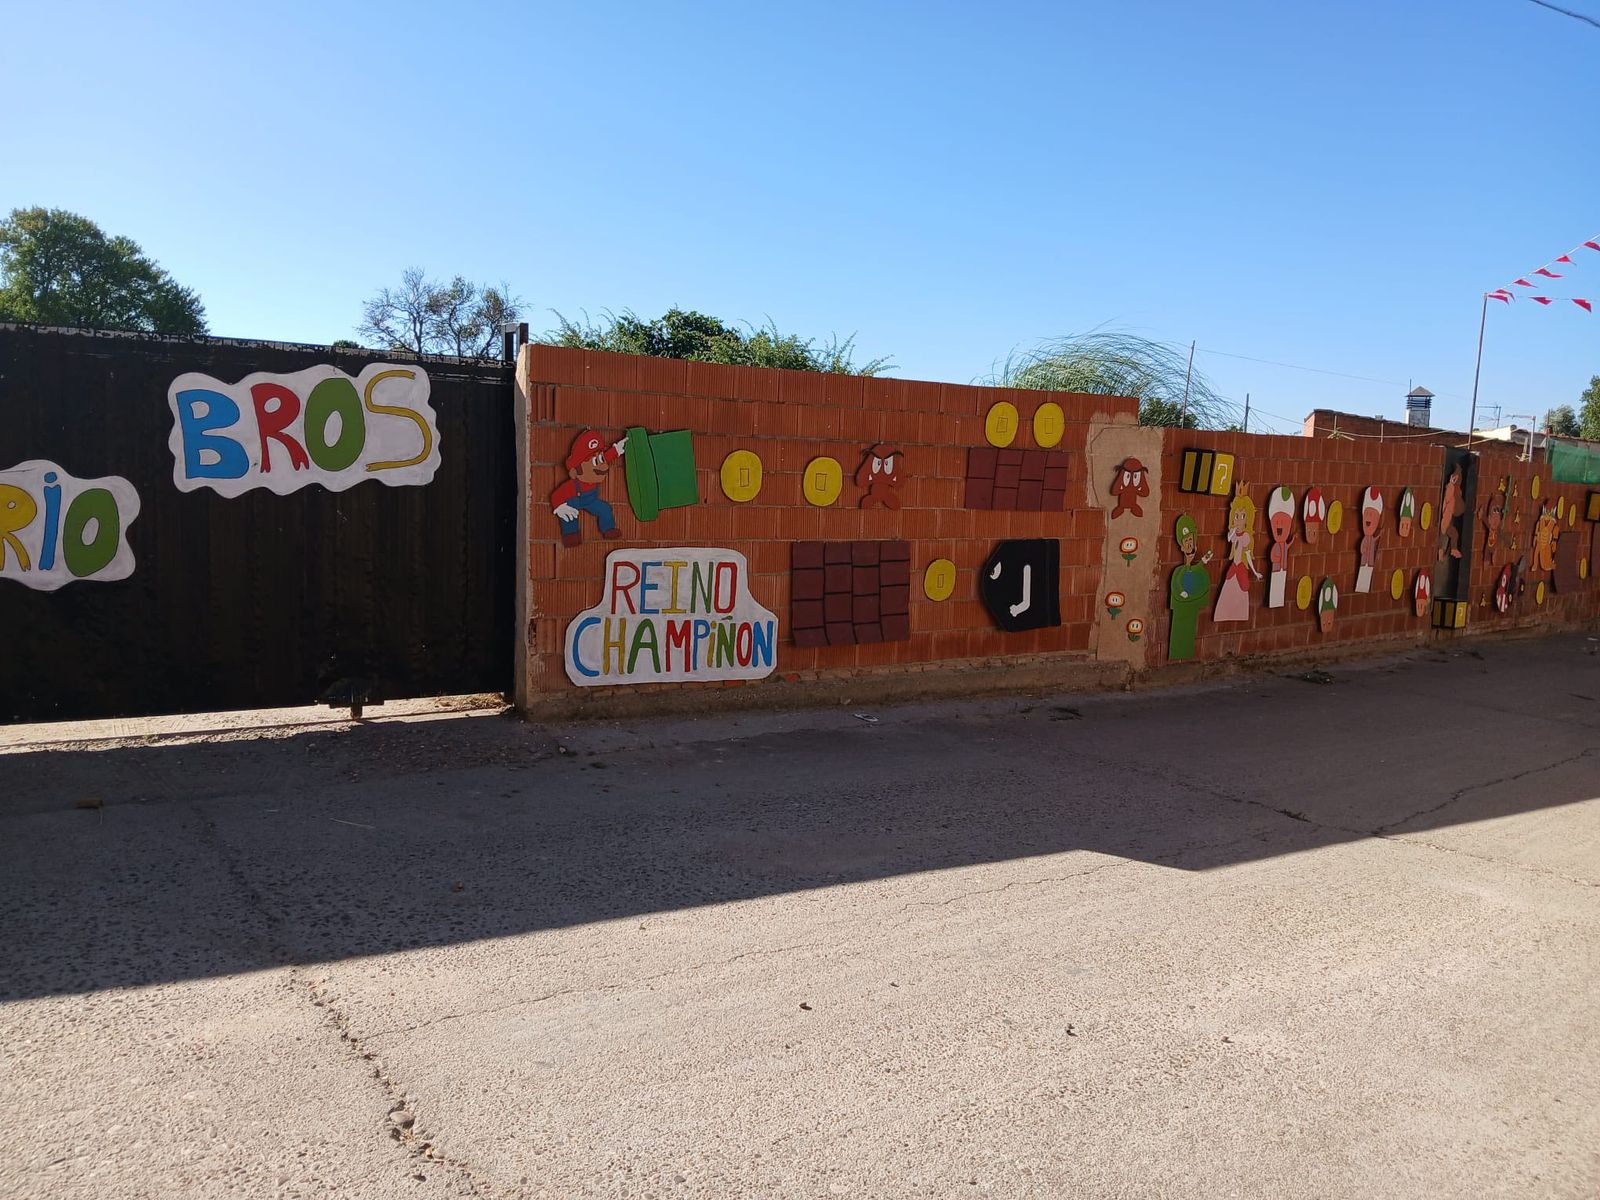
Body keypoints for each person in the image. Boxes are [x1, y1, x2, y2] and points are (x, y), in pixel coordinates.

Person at [551, 430, 628, 548]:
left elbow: (605, 458)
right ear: (577, 469)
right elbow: (557, 495)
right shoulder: (572, 485)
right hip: (574, 501)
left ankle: (609, 529)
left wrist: (616, 450)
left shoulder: (597, 467)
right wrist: (559, 507)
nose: (603, 466)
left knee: (605, 509)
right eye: (595, 461)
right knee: (569, 516)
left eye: (601, 460)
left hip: (591, 501)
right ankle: (571, 536)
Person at [1168, 514, 1214, 660]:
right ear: (1182, 546)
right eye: (1186, 541)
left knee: (1189, 629)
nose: (1189, 544)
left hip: (1191, 604)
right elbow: (1177, 582)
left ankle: (1185, 651)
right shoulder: (1180, 571)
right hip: (1181, 605)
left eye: (1191, 540)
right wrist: (1181, 592)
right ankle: (1177, 651)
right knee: (1179, 628)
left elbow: (1197, 570)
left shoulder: (1193, 569)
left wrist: (1204, 560)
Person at [1213, 485, 1262, 623]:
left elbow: (1248, 555)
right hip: (1233, 567)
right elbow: (1229, 538)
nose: (1239, 520)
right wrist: (1232, 530)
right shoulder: (1234, 535)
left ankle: (1239, 614)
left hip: (1240, 567)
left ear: (1247, 519)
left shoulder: (1246, 537)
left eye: (1242, 516)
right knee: (1228, 589)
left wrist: (1255, 571)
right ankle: (1223, 614)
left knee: (1241, 591)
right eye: (1236, 516)